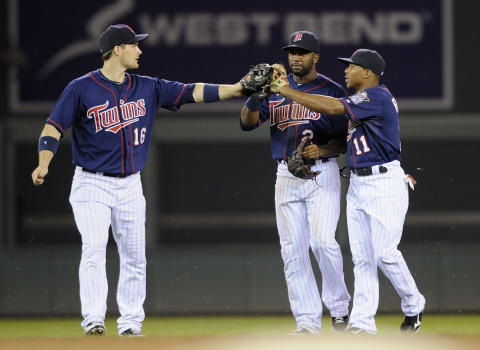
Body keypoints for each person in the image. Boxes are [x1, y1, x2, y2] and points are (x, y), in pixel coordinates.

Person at [31, 24, 244, 337]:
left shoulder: (147, 86)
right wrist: (43, 163)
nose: (140, 50)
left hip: (131, 184)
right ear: (117, 49)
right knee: (93, 247)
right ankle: (93, 319)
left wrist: (237, 89)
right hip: (92, 183)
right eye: (134, 45)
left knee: (134, 256)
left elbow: (191, 92)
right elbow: (53, 127)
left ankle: (130, 323)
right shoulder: (81, 88)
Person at [269, 48, 425, 334]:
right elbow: (336, 117)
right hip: (358, 183)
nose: (346, 71)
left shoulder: (376, 96)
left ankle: (414, 305)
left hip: (384, 183)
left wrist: (287, 91)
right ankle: (362, 323)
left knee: (385, 253)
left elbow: (331, 108)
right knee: (363, 258)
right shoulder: (361, 99)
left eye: (351, 67)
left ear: (367, 73)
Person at [240, 31, 351, 334]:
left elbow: (345, 140)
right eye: (292, 52)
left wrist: (325, 149)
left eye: (302, 52)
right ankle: (307, 321)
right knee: (292, 251)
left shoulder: (331, 89)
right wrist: (256, 94)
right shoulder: (274, 88)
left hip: (321, 172)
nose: (295, 58)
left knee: (323, 242)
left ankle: (340, 309)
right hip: (286, 176)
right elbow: (247, 124)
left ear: (315, 56)